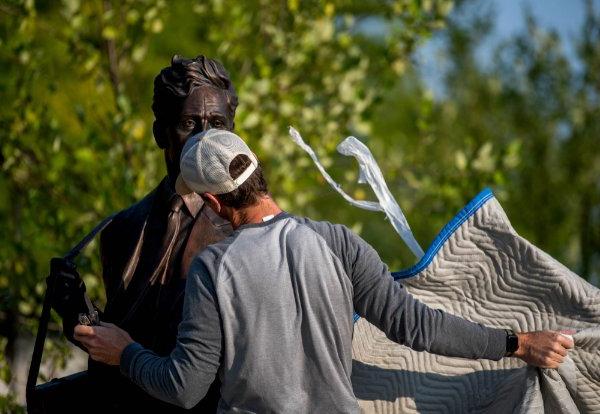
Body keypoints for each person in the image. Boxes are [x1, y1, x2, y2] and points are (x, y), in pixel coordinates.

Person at [74, 129, 575, 413]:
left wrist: (126, 352)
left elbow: (183, 387)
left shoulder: (213, 268)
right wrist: (518, 344)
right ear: (257, 170)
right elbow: (417, 327)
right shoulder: (337, 241)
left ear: (210, 200)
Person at [52, 55, 237, 412]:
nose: (204, 140)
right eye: (188, 123)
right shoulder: (120, 229)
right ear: (160, 133)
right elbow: (122, 342)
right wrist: (79, 315)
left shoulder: (247, 230)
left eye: (217, 124)